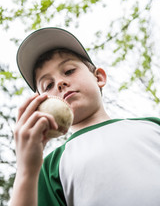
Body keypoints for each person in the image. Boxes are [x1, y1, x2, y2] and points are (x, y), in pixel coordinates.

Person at [10, 27, 160, 206]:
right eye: (48, 85)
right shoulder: (47, 167)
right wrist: (26, 171)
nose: (59, 83)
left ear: (99, 78)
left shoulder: (153, 126)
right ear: (40, 106)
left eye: (69, 71)